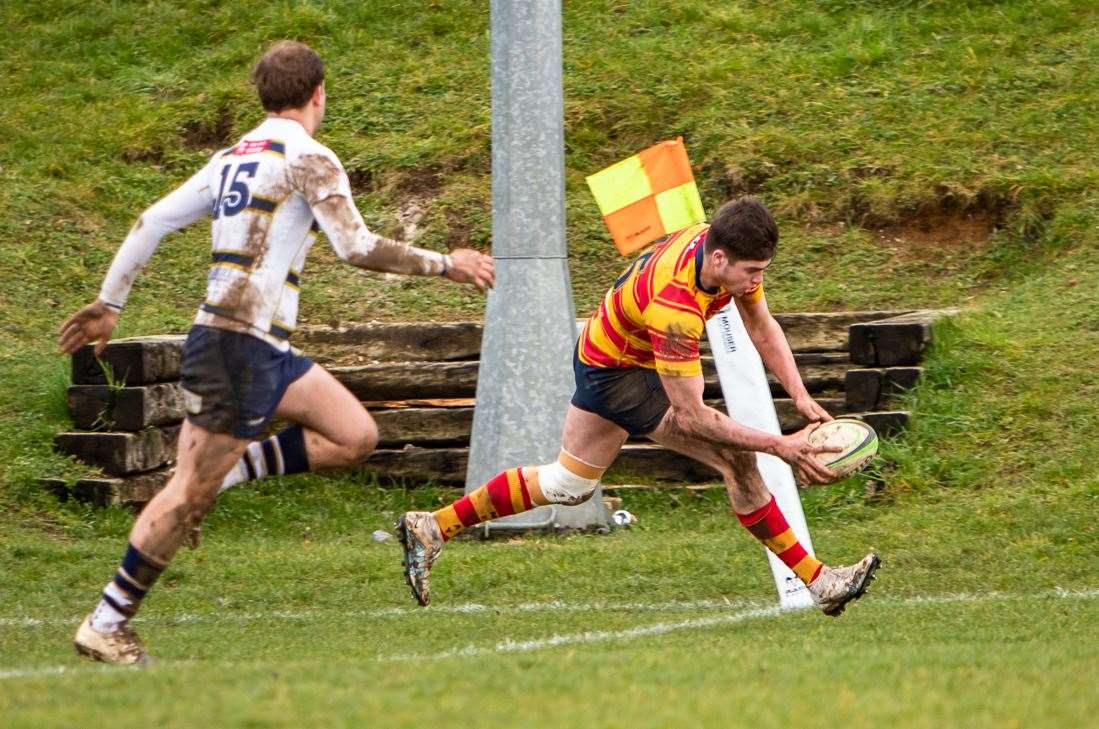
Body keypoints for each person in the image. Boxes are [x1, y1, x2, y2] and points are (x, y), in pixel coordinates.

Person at [58, 40, 494, 665]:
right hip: (238, 348)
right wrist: (449, 264)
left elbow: (151, 219)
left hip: (260, 349)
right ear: (319, 93)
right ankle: (106, 621)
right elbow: (356, 247)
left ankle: (228, 475)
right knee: (183, 497)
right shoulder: (311, 158)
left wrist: (110, 303)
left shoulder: (233, 155)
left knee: (353, 434)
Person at [397, 197, 879, 615]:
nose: (755, 281)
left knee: (569, 485)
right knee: (737, 456)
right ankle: (821, 582)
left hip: (614, 349)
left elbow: (761, 324)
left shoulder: (720, 252)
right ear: (718, 259)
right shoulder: (675, 306)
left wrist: (798, 393)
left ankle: (432, 526)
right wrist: (781, 446)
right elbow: (691, 416)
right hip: (617, 372)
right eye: (751, 271)